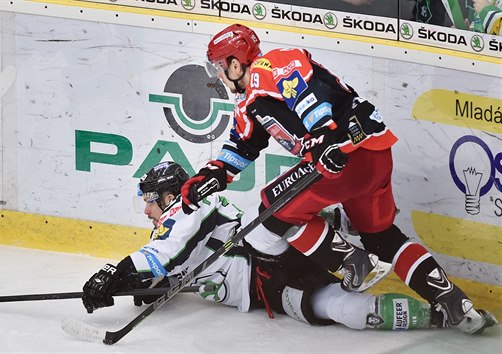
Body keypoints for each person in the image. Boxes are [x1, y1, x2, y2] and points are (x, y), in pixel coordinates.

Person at [179, 24, 497, 335]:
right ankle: (456, 305)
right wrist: (210, 177)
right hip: (370, 156)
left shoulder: (271, 64)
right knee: (382, 237)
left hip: (345, 152)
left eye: (219, 67)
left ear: (235, 63)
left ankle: (354, 262)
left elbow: (305, 94)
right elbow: (242, 146)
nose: (218, 76)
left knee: (272, 210)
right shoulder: (249, 105)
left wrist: (322, 137)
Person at [81, 161, 438, 331]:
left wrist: (112, 272)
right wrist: (130, 286)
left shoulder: (191, 207)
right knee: (339, 309)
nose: (146, 210)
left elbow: (168, 252)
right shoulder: (165, 231)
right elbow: (166, 271)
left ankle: (344, 231)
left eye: (150, 200)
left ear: (171, 196)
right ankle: (433, 317)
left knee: (266, 221)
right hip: (266, 289)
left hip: (264, 254)